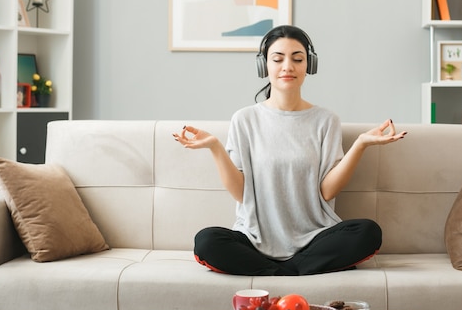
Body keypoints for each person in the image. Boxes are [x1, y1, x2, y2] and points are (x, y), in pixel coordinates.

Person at [173, 25, 407, 276]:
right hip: (254, 241)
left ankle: (276, 272)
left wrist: (360, 145)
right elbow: (240, 193)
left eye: (298, 59)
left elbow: (327, 192)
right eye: (278, 59)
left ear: (310, 65)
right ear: (264, 66)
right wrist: (215, 147)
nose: (288, 66)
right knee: (207, 241)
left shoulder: (326, 120)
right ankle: (294, 271)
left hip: (314, 240)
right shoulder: (244, 119)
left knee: (368, 232)